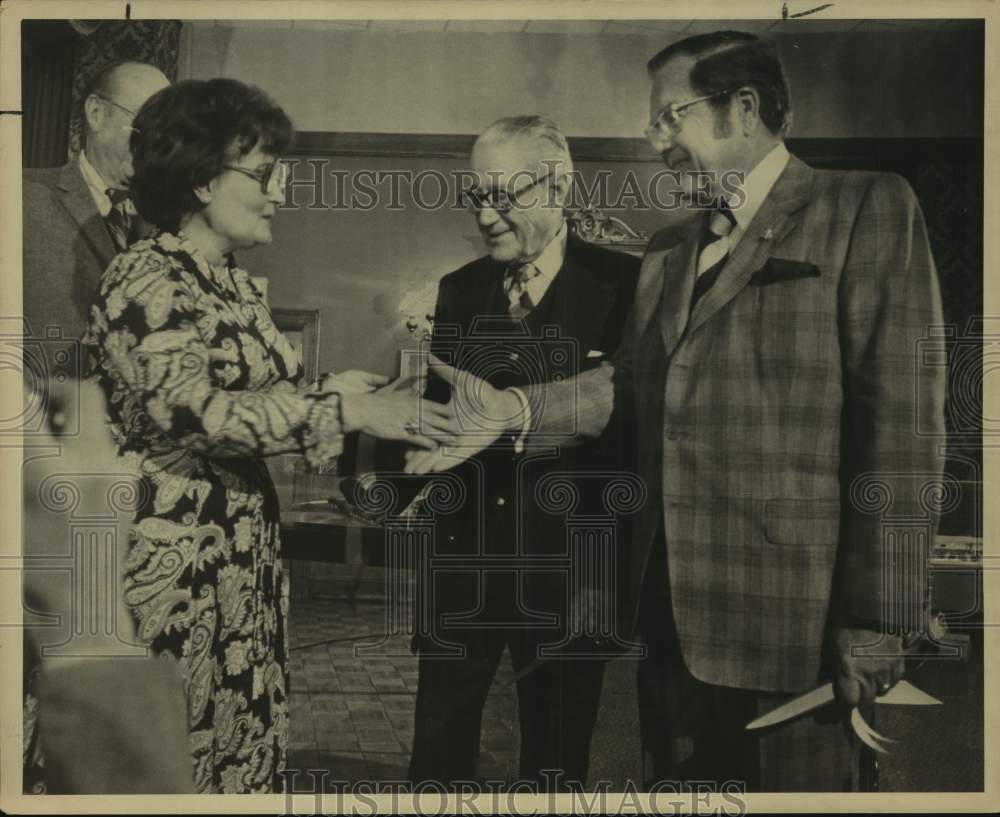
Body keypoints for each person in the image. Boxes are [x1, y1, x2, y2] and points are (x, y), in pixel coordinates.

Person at [407, 32, 946, 792]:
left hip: (794, 630)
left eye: (670, 117)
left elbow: (904, 428)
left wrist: (881, 613)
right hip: (669, 629)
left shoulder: (863, 208)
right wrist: (514, 409)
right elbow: (626, 386)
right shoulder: (667, 250)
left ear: (743, 109)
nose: (654, 140)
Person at [83, 77, 456, 793]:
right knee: (165, 760)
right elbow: (191, 413)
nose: (280, 190)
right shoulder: (144, 274)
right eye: (262, 173)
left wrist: (344, 392)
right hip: (171, 565)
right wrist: (338, 412)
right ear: (199, 179)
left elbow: (266, 405)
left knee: (237, 743)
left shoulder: (231, 284)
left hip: (241, 560)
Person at [405, 116, 640, 788]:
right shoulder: (459, 289)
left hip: (573, 574)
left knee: (556, 759)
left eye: (503, 197)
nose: (485, 216)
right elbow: (443, 422)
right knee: (438, 752)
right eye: (475, 198)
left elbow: (637, 426)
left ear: (559, 183)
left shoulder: (629, 285)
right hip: (463, 569)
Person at [23, 60, 170, 340]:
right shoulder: (23, 196)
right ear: (96, 113)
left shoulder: (166, 220)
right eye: (147, 127)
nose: (157, 146)